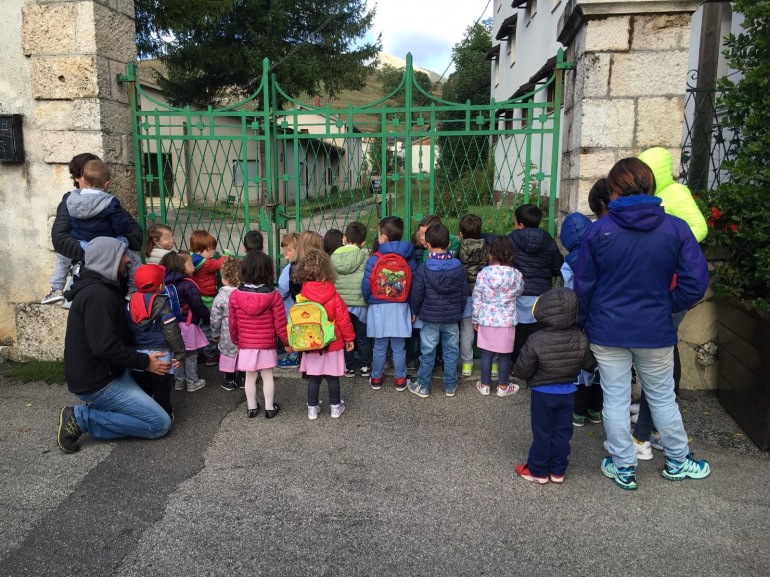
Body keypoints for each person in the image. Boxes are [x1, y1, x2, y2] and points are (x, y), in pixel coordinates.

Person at [575, 157, 711, 490]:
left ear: (615, 189)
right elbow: (695, 282)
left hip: (607, 330)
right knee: (662, 397)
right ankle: (679, 460)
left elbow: (584, 287)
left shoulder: (599, 231)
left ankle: (624, 466)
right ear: (650, 186)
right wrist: (667, 305)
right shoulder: (675, 228)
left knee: (615, 399)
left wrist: (585, 322)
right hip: (654, 330)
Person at [56, 237, 172, 454]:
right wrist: (146, 362)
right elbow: (104, 346)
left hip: (111, 372)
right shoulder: (99, 295)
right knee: (159, 424)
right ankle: (82, 418)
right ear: (108, 260)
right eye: (122, 255)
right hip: (100, 382)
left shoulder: (104, 289)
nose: (128, 260)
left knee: (144, 408)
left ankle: (101, 409)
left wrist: (154, 354)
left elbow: (119, 338)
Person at [634, 146, 710, 454]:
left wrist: (666, 242)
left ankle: (649, 434)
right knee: (659, 360)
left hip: (668, 289)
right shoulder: (654, 200)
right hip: (659, 288)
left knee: (660, 363)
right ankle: (650, 426)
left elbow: (700, 228)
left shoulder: (675, 194)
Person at [513, 287, 595, 484]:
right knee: (562, 432)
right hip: (568, 392)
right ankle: (558, 470)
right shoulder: (580, 337)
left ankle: (538, 470)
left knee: (542, 432)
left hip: (542, 393)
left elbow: (522, 370)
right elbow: (590, 364)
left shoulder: (535, 339)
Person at [48, 154, 143, 304]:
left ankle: (55, 288)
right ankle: (56, 289)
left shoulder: (107, 201)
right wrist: (101, 250)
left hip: (117, 278)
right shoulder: (71, 201)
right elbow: (60, 240)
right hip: (87, 278)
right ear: (77, 178)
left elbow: (136, 235)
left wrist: (112, 246)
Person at [291, 249, 355, 419]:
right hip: (332, 343)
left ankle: (312, 408)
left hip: (310, 344)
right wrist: (349, 338)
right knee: (333, 377)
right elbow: (343, 319)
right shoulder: (333, 295)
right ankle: (335, 407)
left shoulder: (302, 296)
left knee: (314, 378)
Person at [407, 223, 467, 398]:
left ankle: (423, 386)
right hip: (451, 318)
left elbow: (417, 293)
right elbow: (463, 293)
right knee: (451, 352)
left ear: (428, 244)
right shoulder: (458, 266)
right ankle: (450, 386)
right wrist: (459, 310)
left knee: (427, 352)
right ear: (448, 243)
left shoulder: (424, 268)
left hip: (430, 318)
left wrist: (414, 310)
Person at [229, 251, 289, 419]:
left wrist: (236, 341)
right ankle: (269, 408)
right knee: (267, 375)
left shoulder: (235, 295)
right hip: (266, 343)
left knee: (250, 376)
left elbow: (232, 323)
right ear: (267, 271)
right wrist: (286, 342)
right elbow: (280, 323)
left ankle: (251, 408)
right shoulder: (273, 295)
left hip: (246, 343)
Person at [503, 204, 564, 366]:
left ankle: (515, 365)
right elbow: (558, 268)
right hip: (541, 296)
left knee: (517, 333)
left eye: (515, 222)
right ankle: (534, 365)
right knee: (537, 333)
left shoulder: (511, 240)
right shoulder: (549, 241)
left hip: (517, 294)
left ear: (521, 224)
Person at [361, 216, 416, 391]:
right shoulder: (408, 255)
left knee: (379, 345)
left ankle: (376, 378)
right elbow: (414, 282)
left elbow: (366, 283)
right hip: (401, 305)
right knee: (399, 346)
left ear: (383, 236)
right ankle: (400, 380)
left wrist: (368, 299)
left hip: (378, 306)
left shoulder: (375, 257)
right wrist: (412, 307)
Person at [559, 211, 603, 428]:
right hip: (601, 320)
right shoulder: (600, 252)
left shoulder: (569, 263)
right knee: (598, 366)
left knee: (579, 365)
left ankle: (578, 412)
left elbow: (568, 292)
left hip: (577, 321)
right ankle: (596, 411)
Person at [126, 263, 185, 417]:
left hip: (139, 354)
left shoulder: (129, 303)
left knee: (142, 387)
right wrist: (179, 353)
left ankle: (144, 414)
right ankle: (165, 414)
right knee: (162, 387)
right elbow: (171, 330)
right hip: (161, 352)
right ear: (160, 286)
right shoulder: (164, 303)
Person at [472, 236, 524, 397]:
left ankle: (485, 385)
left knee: (486, 353)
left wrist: (475, 318)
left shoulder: (483, 274)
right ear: (510, 255)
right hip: (507, 320)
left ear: (490, 254)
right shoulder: (516, 275)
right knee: (505, 354)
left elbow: (477, 297)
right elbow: (519, 291)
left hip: (487, 318)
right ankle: (503, 386)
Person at [160, 251, 209, 392]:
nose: (193, 267)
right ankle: (192, 381)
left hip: (170, 325)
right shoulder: (187, 284)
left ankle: (179, 381)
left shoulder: (162, 283)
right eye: (190, 264)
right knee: (191, 354)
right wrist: (207, 318)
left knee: (177, 353)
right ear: (181, 266)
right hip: (187, 324)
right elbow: (197, 305)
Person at [330, 221, 372, 378]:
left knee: (345, 336)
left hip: (340, 304)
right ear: (363, 242)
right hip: (360, 303)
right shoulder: (364, 256)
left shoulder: (334, 257)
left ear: (344, 238)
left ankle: (348, 367)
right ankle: (365, 366)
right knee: (362, 337)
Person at [189, 229, 231, 365]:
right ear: (204, 250)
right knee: (209, 327)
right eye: (212, 251)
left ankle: (200, 352)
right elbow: (218, 264)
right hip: (206, 299)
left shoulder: (191, 260)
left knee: (198, 326)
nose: (214, 253)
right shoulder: (206, 263)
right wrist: (226, 254)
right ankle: (210, 355)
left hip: (195, 298)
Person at [456, 214, 490, 377]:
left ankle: (467, 365)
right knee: (487, 331)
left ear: (460, 233)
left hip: (465, 293)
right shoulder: (488, 247)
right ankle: (493, 365)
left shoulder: (458, 246)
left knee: (466, 331)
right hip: (484, 294)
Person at [210, 258, 242, 391]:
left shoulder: (221, 297)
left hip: (226, 331)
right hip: (243, 330)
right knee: (241, 353)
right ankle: (244, 378)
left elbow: (215, 317)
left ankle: (229, 379)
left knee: (228, 353)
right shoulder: (244, 293)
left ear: (224, 277)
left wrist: (215, 333)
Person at [276, 232, 300, 368]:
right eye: (284, 248)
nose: (285, 252)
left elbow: (283, 288)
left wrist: (274, 299)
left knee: (293, 332)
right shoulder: (293, 265)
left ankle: (293, 357)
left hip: (290, 307)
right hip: (293, 306)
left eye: (289, 249)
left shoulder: (291, 268)